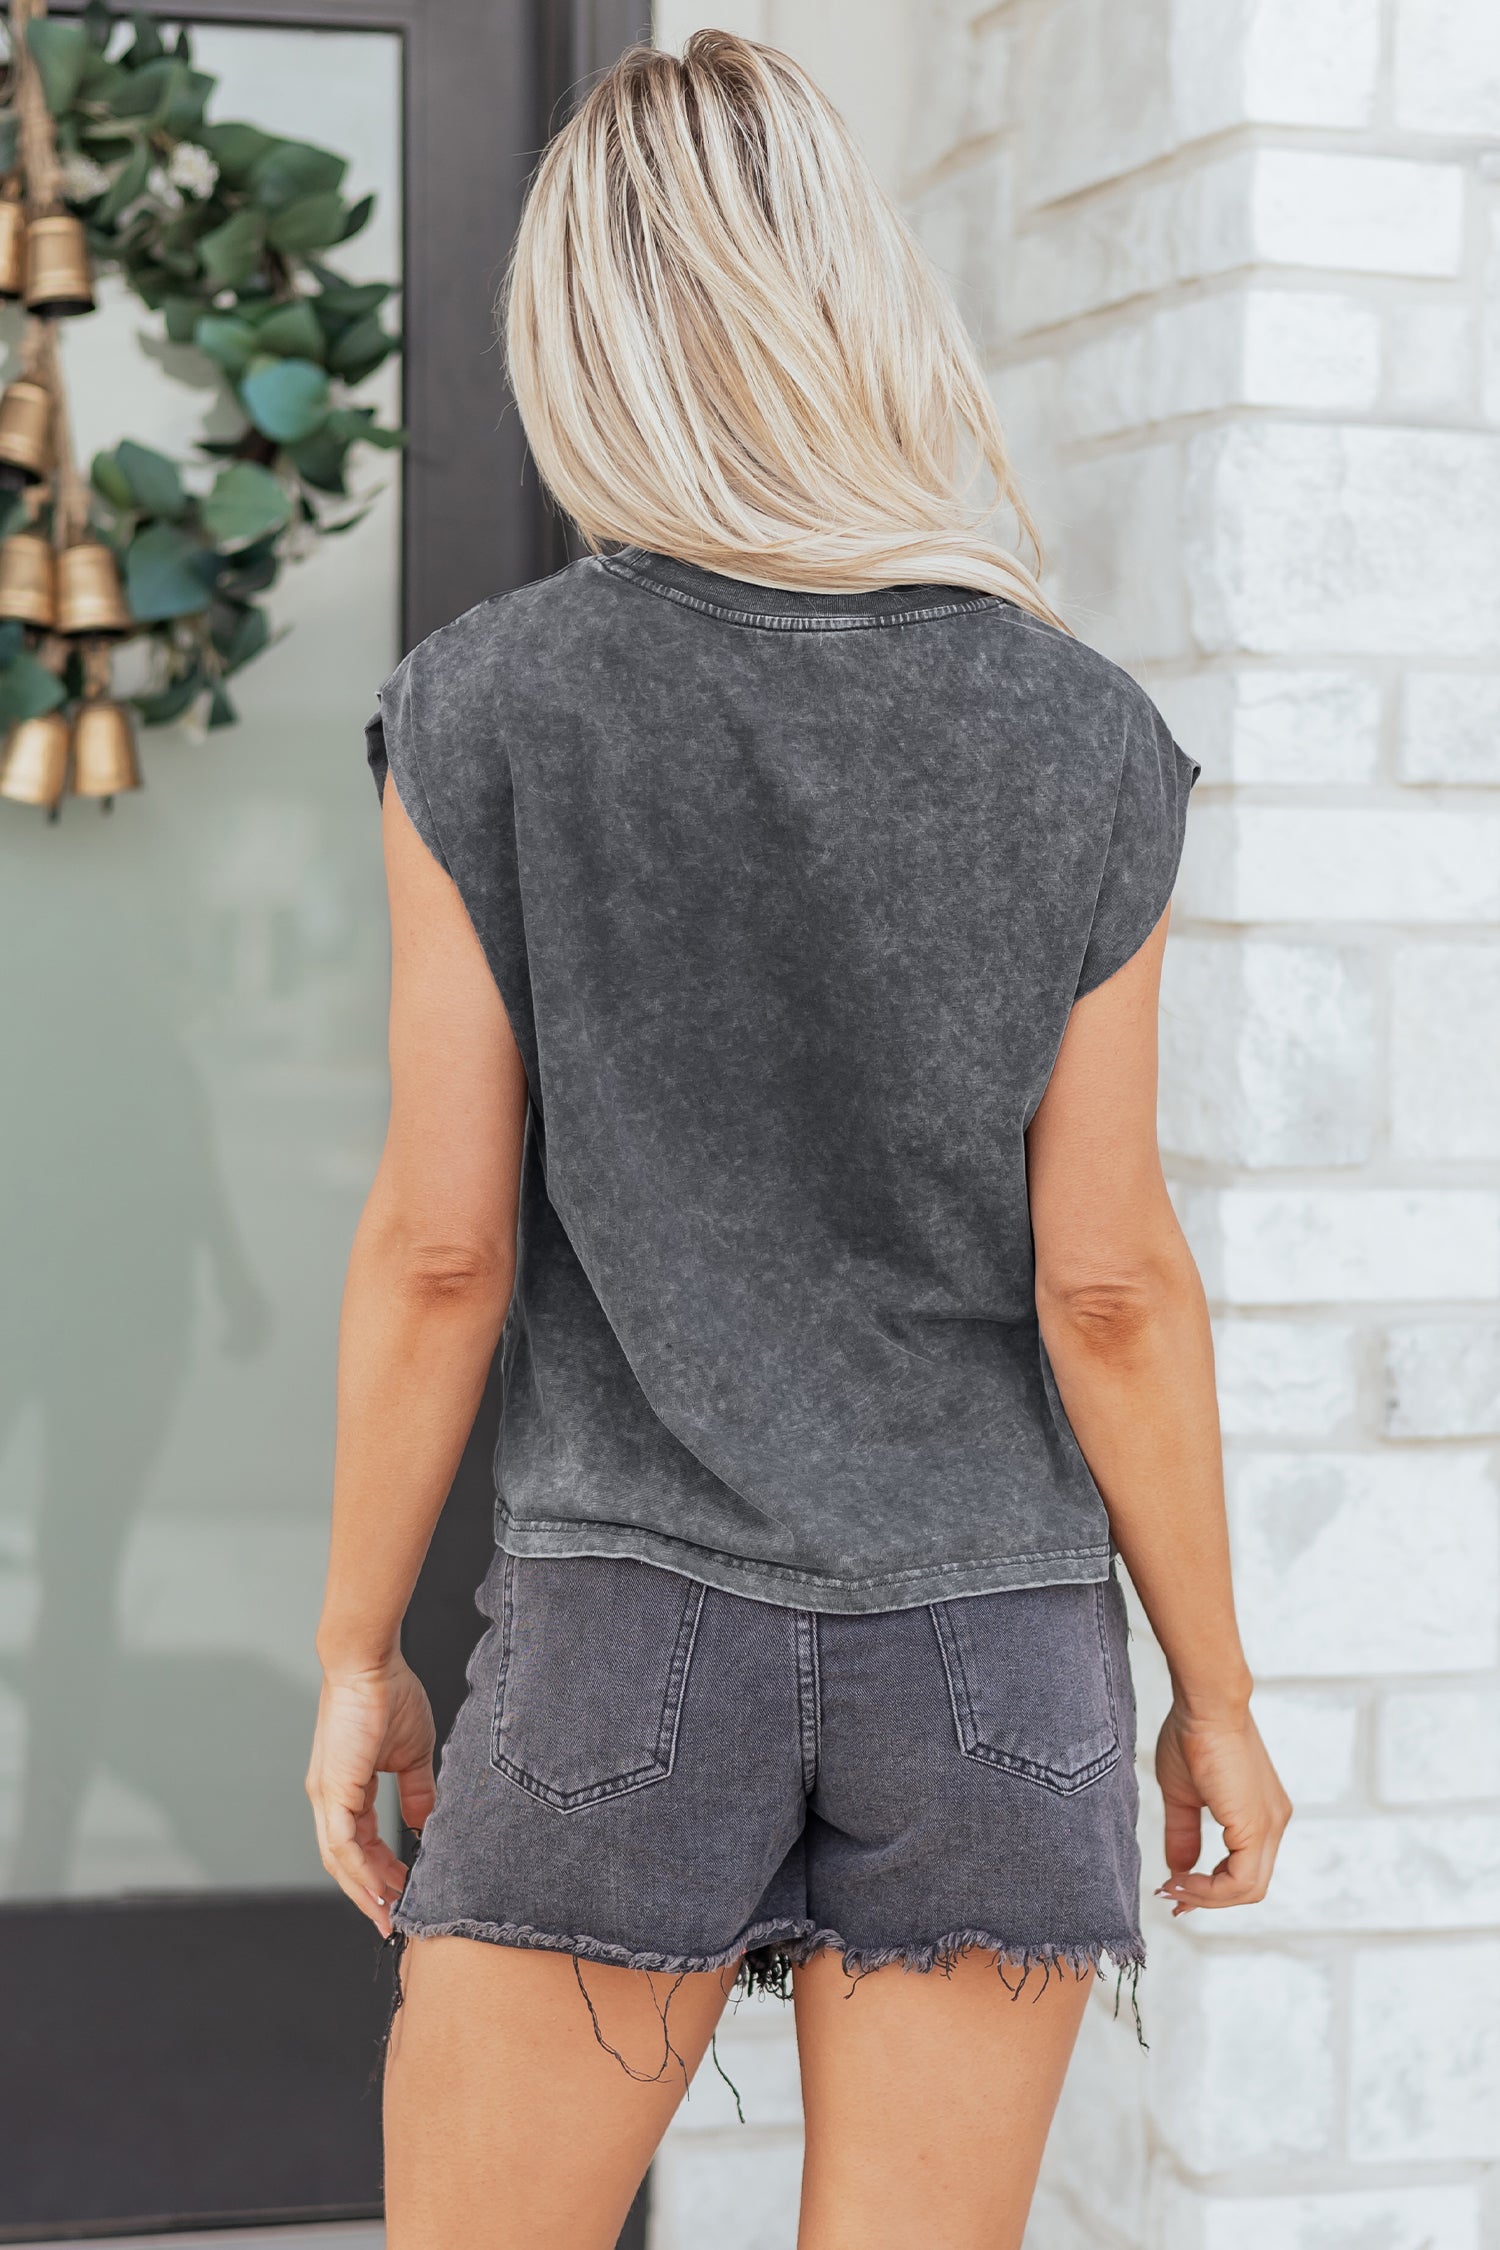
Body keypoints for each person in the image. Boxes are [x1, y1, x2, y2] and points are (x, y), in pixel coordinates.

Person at [305, 32, 1290, 2250]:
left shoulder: (490, 704)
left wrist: (360, 1648)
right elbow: (1110, 1281)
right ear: (860, 309)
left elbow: (442, 1251)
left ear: (579, 343)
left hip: (626, 1622)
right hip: (1001, 1648)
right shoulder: (1083, 732)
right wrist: (1216, 1694)